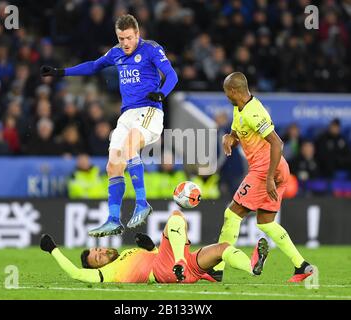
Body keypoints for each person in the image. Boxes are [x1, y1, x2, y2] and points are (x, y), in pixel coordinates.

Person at [40, 14, 178, 237]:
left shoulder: (152, 49)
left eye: (129, 38)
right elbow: (93, 66)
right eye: (121, 38)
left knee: (131, 144)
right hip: (126, 115)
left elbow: (172, 75)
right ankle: (114, 219)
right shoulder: (115, 53)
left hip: (149, 110)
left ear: (137, 34)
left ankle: (142, 203)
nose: (125, 43)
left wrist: (161, 94)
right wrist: (61, 72)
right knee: (113, 165)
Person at [215, 72, 313, 283]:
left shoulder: (254, 112)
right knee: (266, 222)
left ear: (233, 91)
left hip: (266, 170)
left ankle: (217, 268)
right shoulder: (238, 108)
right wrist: (228, 137)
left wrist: (269, 178)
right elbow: (237, 133)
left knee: (232, 215)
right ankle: (302, 266)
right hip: (273, 169)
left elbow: (278, 143)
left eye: (226, 91)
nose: (225, 95)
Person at [40, 209, 269, 284]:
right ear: (98, 268)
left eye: (98, 250)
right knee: (176, 217)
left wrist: (150, 248)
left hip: (175, 267)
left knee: (222, 248)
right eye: (98, 258)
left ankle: (252, 266)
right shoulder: (108, 273)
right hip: (166, 270)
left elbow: (157, 257)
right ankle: (186, 261)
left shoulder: (126, 254)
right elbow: (76, 273)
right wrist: (52, 249)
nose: (101, 253)